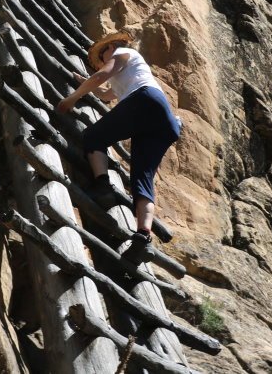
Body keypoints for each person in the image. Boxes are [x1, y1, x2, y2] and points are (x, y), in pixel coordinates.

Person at [56, 32, 182, 264]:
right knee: (142, 178)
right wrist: (82, 81)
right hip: (163, 122)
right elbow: (105, 94)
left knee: (93, 136)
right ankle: (143, 236)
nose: (103, 60)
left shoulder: (124, 53)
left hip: (145, 100)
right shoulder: (131, 71)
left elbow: (103, 75)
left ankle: (102, 185)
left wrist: (73, 98)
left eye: (103, 54)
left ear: (111, 46)